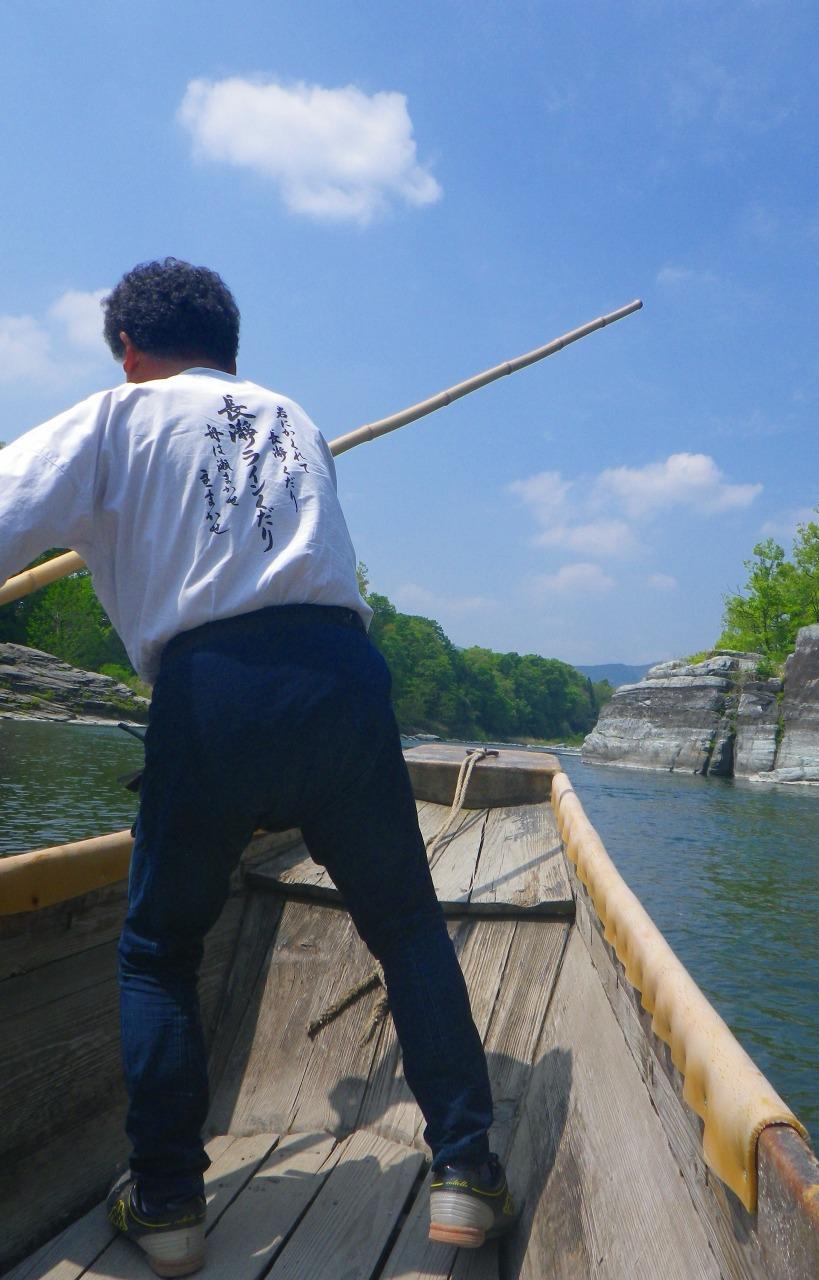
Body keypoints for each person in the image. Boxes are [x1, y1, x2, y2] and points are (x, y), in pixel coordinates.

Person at [0, 259, 516, 1276]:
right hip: (341, 679)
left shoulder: (115, 417)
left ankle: (166, 1200)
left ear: (129, 352)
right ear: (230, 350)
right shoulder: (293, 417)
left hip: (214, 691)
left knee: (160, 949)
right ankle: (466, 1167)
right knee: (407, 927)